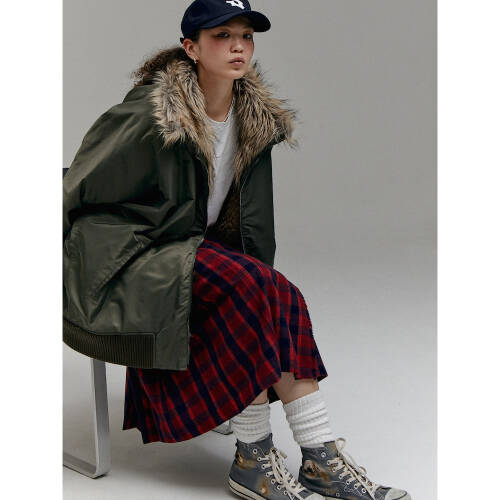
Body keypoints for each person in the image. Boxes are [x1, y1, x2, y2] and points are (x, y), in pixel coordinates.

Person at [63, 1, 411, 499]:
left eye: (246, 36)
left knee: (275, 293)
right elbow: (77, 186)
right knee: (256, 289)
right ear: (191, 48)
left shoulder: (253, 120)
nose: (238, 47)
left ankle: (315, 457)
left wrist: (262, 291)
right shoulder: (150, 112)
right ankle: (260, 459)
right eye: (222, 35)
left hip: (194, 248)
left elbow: (248, 225)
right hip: (137, 253)